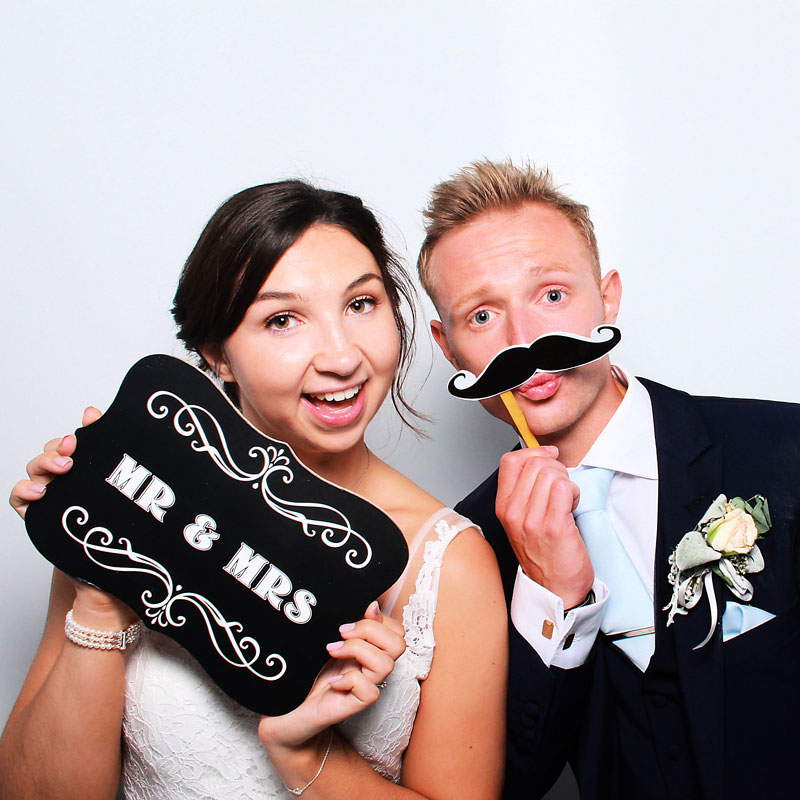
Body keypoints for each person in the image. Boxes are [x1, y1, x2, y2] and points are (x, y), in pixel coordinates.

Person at [2, 180, 507, 800]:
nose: (341, 356)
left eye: (361, 304)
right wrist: (99, 595)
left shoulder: (448, 564)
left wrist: (306, 756)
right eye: (282, 319)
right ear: (215, 352)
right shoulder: (133, 505)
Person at [417, 159, 800, 799]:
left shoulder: (781, 449)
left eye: (552, 295)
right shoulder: (464, 553)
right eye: (481, 317)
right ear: (448, 345)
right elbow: (505, 783)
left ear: (608, 296)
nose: (524, 340)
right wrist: (551, 598)